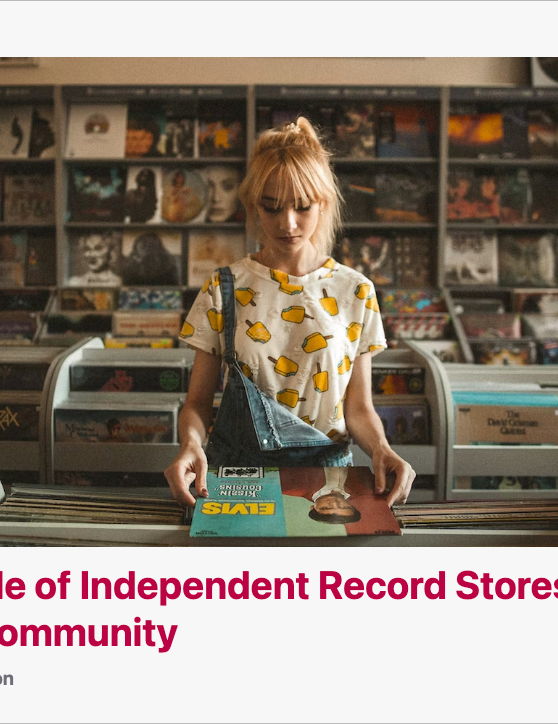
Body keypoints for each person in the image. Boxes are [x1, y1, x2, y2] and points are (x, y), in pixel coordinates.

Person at [165, 117, 415, 508]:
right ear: (252, 205)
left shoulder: (355, 291)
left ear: (324, 202)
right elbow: (197, 402)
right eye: (271, 207)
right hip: (240, 477)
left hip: (328, 481)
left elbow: (359, 408)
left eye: (302, 207)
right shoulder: (224, 288)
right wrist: (190, 445)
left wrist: (382, 448)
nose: (288, 224)